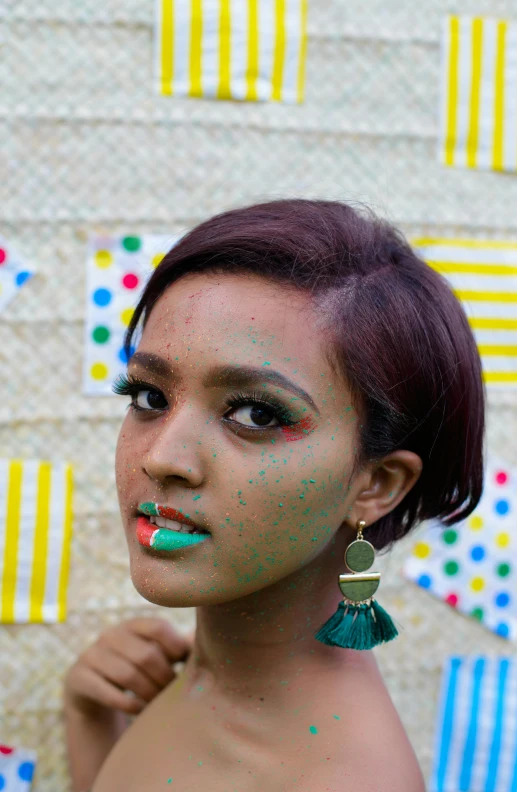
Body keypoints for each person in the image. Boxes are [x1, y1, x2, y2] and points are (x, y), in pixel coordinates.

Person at [64, 199, 484, 791]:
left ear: (376, 485)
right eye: (150, 398)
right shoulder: (186, 681)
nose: (162, 457)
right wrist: (92, 723)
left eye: (256, 413)